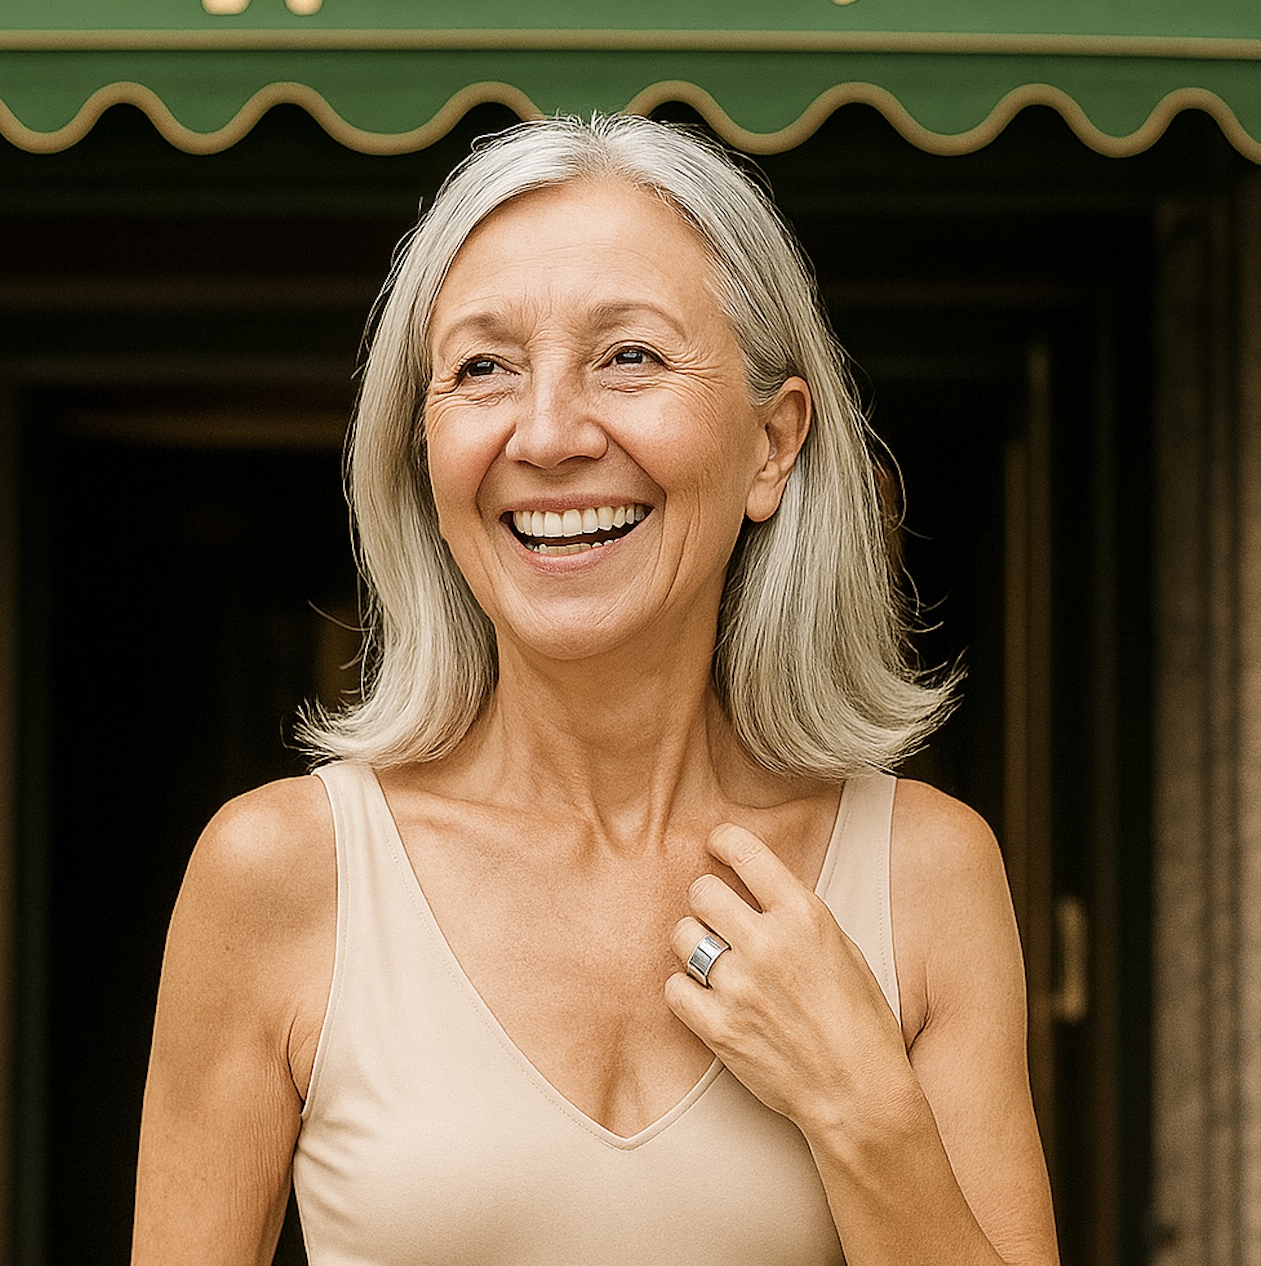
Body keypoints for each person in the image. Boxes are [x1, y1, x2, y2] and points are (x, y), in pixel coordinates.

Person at [132, 113, 1059, 1266]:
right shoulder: (278, 876)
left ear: (772, 445)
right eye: (483, 368)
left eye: (629, 356)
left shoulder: (925, 873)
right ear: (423, 455)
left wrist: (860, 1108)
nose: (551, 432)